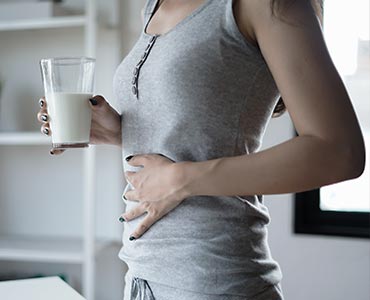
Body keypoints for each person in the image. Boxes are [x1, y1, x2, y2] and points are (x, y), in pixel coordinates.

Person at [37, 0, 366, 299]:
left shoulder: (266, 4)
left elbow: (339, 151)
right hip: (140, 279)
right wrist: (120, 132)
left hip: (215, 283)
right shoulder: (154, 6)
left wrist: (181, 178)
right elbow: (195, 136)